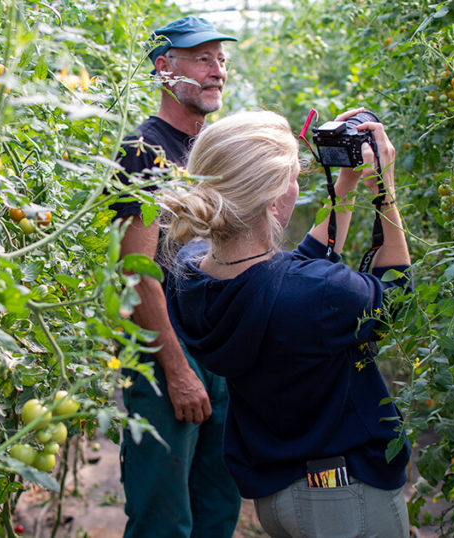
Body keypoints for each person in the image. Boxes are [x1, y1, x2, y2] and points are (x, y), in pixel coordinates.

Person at [159, 109, 412, 538]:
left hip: (277, 495)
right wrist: (385, 193)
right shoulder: (319, 292)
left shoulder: (191, 276)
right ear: (277, 198)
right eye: (295, 177)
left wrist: (347, 184)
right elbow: (396, 296)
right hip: (346, 499)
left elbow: (288, 275)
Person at [111, 15, 242, 538]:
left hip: (221, 349)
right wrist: (177, 367)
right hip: (171, 351)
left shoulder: (218, 151)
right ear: (165, 70)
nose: (217, 71)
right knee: (162, 519)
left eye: (221, 60)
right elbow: (137, 272)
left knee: (217, 506)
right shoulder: (144, 153)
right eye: (202, 59)